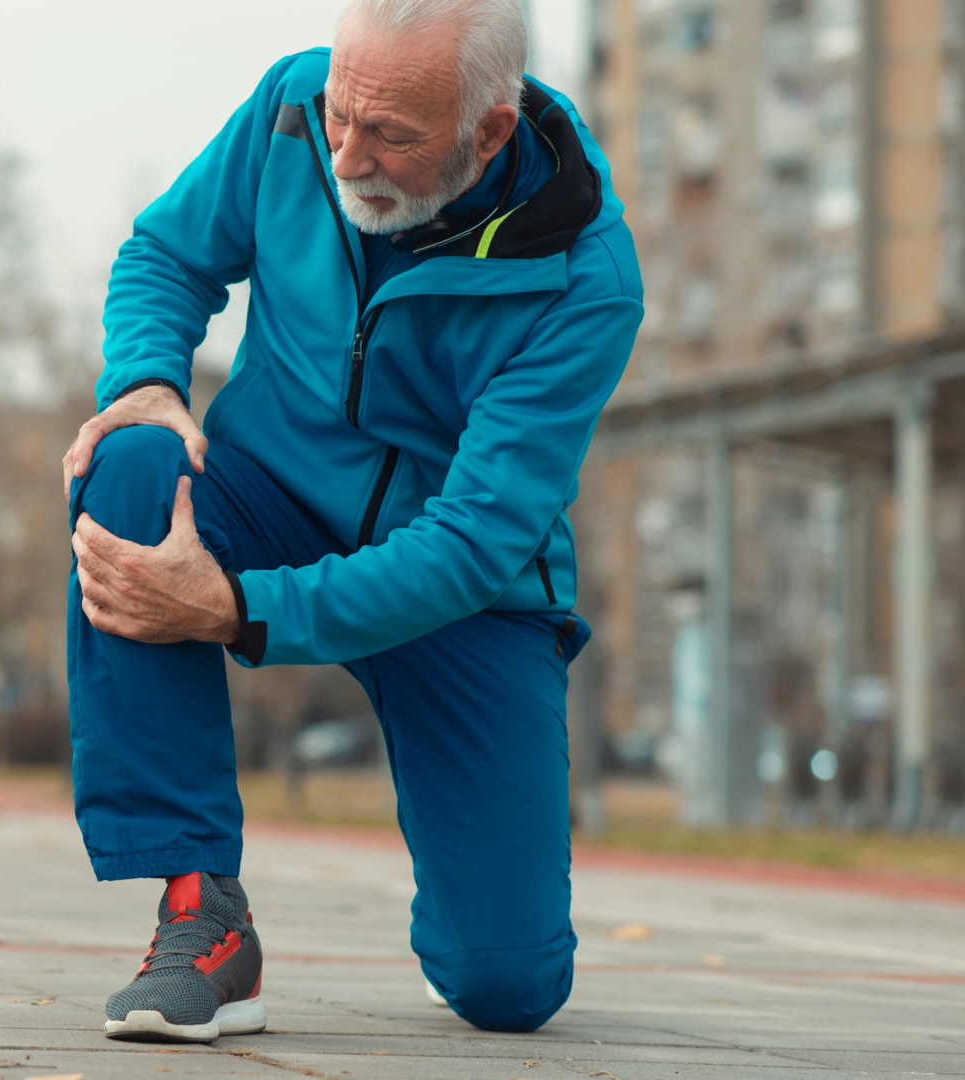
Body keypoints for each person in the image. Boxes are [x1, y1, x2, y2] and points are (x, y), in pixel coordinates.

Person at [60, 0, 643, 1043]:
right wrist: (145, 378)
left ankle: (472, 925)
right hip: (270, 497)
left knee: (508, 989)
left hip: (466, 593)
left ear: (490, 134)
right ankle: (206, 916)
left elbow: (470, 545)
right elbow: (165, 254)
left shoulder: (584, 278)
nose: (347, 153)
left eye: (391, 138)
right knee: (134, 463)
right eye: (341, 116)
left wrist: (239, 609)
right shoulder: (291, 105)